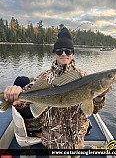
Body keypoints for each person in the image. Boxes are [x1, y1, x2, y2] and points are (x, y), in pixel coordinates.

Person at [4, 27, 110, 158]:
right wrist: (17, 94)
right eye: (60, 50)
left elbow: (93, 110)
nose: (64, 54)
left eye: (68, 50)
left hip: (77, 142)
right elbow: (26, 98)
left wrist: (100, 96)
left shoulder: (84, 77)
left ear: (73, 53)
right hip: (55, 143)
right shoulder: (45, 77)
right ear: (54, 53)